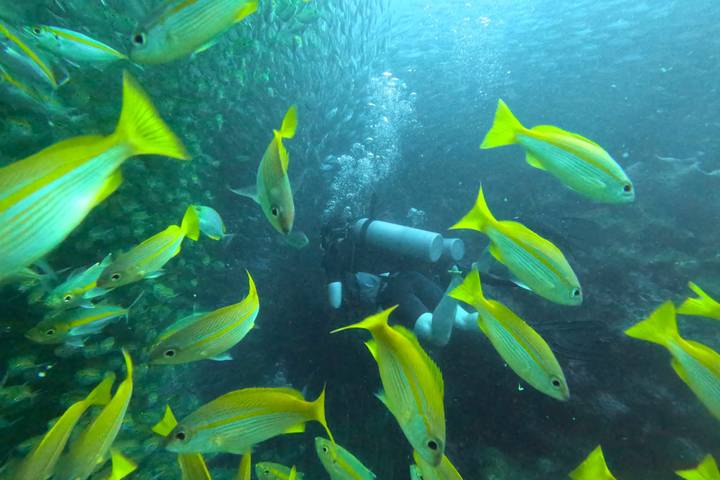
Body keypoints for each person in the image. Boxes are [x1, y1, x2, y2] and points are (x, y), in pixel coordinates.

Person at [320, 216, 515, 346]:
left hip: (392, 293)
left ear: (328, 236)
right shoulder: (369, 238)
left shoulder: (334, 254)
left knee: (437, 336)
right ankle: (510, 324)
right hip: (413, 277)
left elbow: (336, 301)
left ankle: (457, 284)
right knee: (463, 320)